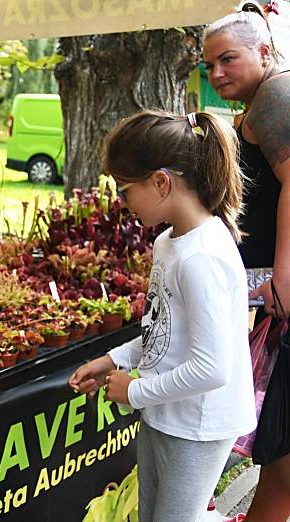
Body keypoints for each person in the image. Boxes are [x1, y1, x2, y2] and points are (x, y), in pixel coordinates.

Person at [68, 110, 257, 521]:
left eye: (124, 189)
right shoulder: (171, 242)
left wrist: (134, 392)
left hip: (198, 424)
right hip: (168, 410)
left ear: (160, 182)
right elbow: (165, 329)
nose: (122, 202)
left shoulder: (201, 256)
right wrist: (114, 360)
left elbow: (211, 369)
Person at [202, 3, 290, 520]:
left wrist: (283, 272)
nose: (216, 74)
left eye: (227, 60)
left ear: (263, 51)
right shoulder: (267, 96)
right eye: (209, 64)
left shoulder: (277, 94)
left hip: (277, 294)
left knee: (282, 454)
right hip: (267, 287)